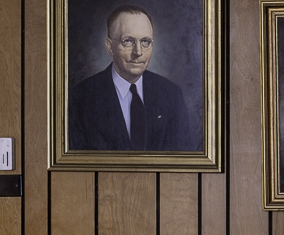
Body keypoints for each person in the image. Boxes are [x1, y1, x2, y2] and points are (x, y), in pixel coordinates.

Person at [68, 5, 196, 151]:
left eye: (145, 42)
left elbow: (185, 164)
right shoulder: (79, 99)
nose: (138, 52)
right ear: (110, 47)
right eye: (128, 41)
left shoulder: (172, 95)